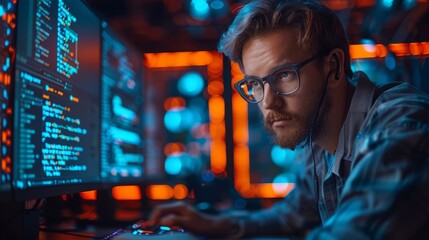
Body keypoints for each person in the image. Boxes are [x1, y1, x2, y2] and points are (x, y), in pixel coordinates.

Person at [148, 0, 429, 238]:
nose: (268, 101)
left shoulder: (400, 121)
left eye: (283, 75)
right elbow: (294, 214)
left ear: (333, 67)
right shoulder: (319, 138)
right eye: (255, 84)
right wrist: (219, 224)